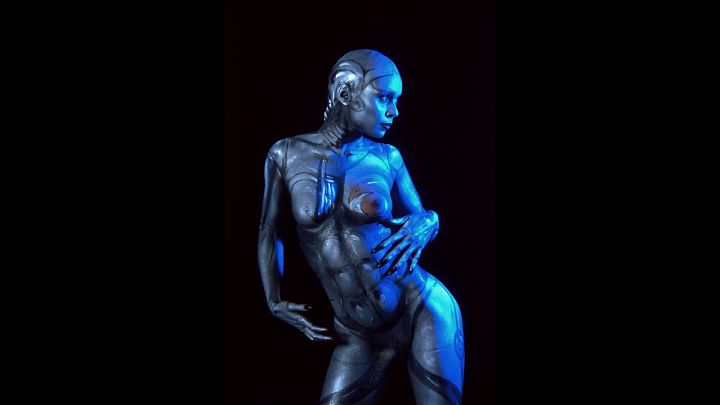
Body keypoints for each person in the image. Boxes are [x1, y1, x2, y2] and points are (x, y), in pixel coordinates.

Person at [258, 49, 464, 404]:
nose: (394, 111)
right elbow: (268, 230)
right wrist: (273, 300)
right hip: (357, 334)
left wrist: (431, 220)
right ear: (345, 93)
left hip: (420, 310)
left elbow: (422, 218)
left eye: (395, 101)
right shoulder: (285, 154)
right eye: (385, 97)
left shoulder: (389, 157)